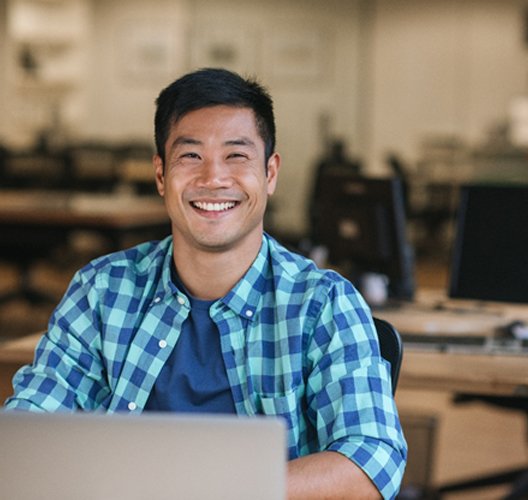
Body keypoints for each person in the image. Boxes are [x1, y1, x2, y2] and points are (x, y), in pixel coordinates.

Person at [4, 68, 407, 499]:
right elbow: (29, 430)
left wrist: (216, 490)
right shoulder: (101, 291)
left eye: (236, 156)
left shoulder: (323, 303)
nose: (213, 178)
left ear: (270, 173)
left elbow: (372, 460)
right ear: (161, 175)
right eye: (190, 156)